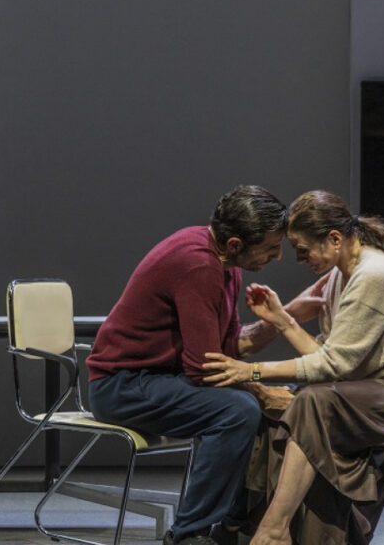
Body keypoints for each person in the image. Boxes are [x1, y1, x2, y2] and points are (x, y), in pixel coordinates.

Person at [202, 190, 384, 545]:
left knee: (312, 403)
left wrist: (252, 371)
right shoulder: (341, 276)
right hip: (378, 385)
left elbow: (333, 366)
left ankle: (275, 529)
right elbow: (331, 358)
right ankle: (256, 527)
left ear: (335, 239)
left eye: (303, 249)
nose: (299, 259)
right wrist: (282, 320)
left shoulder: (375, 274)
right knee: (277, 406)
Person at [86, 185, 324, 545]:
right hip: (120, 385)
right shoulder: (198, 264)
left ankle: (233, 526)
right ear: (235, 244)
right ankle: (188, 535)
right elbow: (204, 369)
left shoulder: (226, 262)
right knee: (238, 411)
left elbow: (225, 349)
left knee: (261, 402)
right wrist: (260, 391)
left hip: (160, 378)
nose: (278, 256)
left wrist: (283, 319)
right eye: (271, 247)